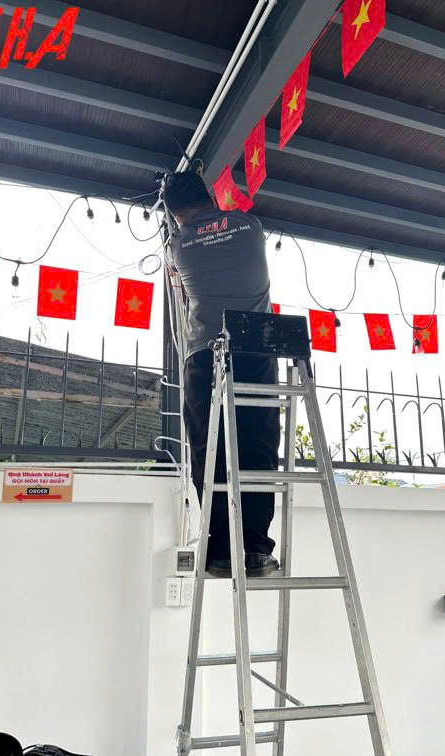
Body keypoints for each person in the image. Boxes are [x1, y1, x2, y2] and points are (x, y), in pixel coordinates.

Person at [162, 170, 281, 578]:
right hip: (256, 348)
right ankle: (256, 549)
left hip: (205, 355)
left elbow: (182, 284)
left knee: (208, 450)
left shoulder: (178, 246)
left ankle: (220, 550)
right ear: (210, 195)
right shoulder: (251, 227)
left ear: (174, 213)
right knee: (258, 446)